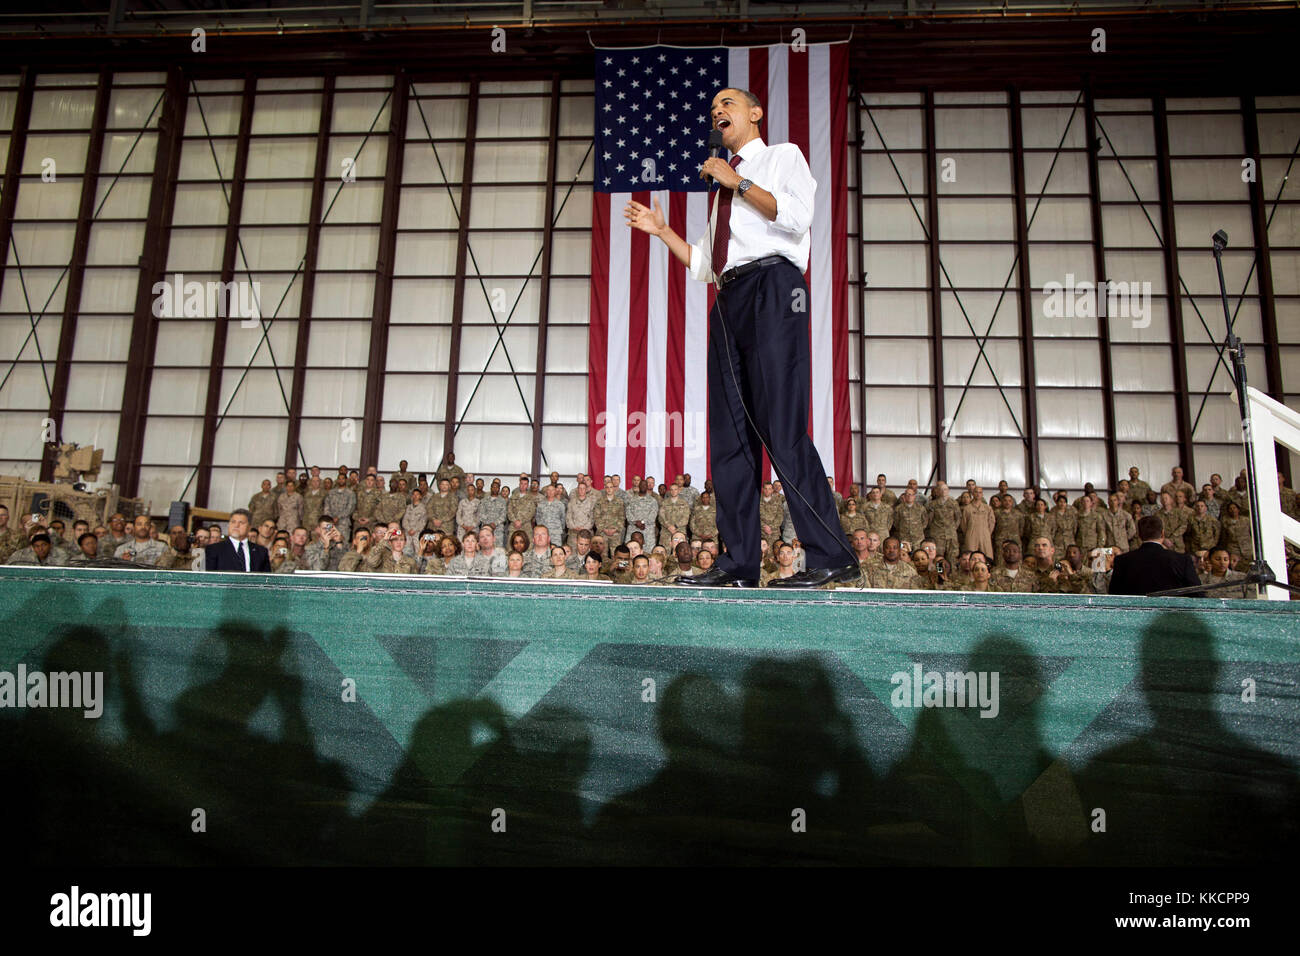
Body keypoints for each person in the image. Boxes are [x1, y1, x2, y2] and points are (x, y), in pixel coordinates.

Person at [624, 87, 855, 589]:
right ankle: (739, 563)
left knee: (780, 424)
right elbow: (708, 265)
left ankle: (831, 554)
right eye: (712, 110)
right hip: (728, 298)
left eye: (727, 105)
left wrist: (739, 180)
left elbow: (798, 217)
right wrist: (662, 232)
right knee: (730, 437)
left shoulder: (780, 157)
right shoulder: (720, 195)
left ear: (754, 113)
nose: (717, 113)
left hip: (775, 287)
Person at [1108, 515, 1199, 596]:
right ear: (1162, 533)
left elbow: (1114, 597)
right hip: (1172, 614)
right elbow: (1198, 595)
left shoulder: (1122, 561)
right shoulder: (1182, 560)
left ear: (1139, 535)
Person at [204, 509, 270, 572]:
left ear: (249, 527)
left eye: (241, 523)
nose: (236, 525)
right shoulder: (214, 549)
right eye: (233, 522)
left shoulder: (261, 552)